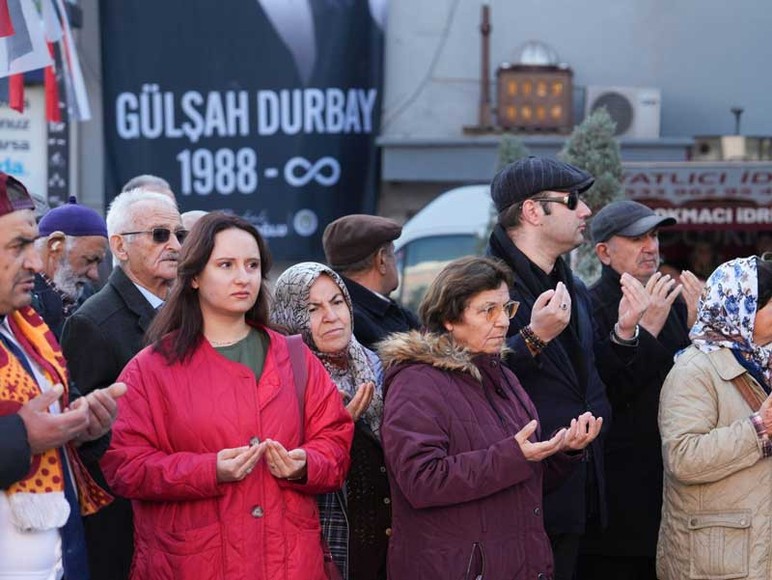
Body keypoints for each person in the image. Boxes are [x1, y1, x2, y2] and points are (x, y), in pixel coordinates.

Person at [100, 212, 354, 579]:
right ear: (195, 277)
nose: (243, 277)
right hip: (192, 564)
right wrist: (207, 470)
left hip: (289, 564)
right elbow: (124, 465)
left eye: (252, 265)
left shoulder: (295, 357)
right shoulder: (152, 369)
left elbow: (335, 442)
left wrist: (305, 464)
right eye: (226, 265)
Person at [378, 256, 602, 578]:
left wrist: (562, 451)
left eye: (506, 308)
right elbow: (421, 481)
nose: (503, 322)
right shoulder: (416, 381)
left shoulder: (502, 375)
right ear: (449, 318)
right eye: (488, 310)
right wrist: (512, 455)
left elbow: (524, 478)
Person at [485, 156, 649, 579]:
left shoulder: (571, 286)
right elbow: (466, 378)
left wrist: (624, 333)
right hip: (522, 497)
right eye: (572, 200)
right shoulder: (483, 287)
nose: (586, 210)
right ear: (532, 211)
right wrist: (532, 337)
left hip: (583, 491)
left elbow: (587, 378)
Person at [0, 171, 126, 579]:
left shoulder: (28, 327)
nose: (35, 263)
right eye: (18, 246)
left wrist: (81, 425)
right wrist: (23, 437)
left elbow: (55, 414)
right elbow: (27, 432)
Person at [59, 187, 184, 580]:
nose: (175, 245)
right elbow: (86, 443)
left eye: (179, 234)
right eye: (160, 235)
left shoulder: (186, 309)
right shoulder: (91, 323)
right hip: (125, 525)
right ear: (120, 246)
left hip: (183, 512)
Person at [578, 200, 701, 579]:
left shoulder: (671, 301)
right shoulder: (590, 307)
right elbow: (603, 397)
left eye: (654, 235)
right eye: (636, 238)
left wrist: (698, 330)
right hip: (621, 507)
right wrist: (642, 332)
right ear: (603, 252)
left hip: (675, 488)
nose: (651, 247)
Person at [657, 255, 772, 580]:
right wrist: (759, 429)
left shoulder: (764, 362)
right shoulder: (694, 370)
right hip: (717, 559)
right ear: (744, 308)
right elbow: (682, 458)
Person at [273, 262, 389, 580]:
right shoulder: (282, 381)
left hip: (389, 547)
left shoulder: (379, 366)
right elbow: (283, 468)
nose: (331, 316)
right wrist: (335, 429)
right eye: (313, 309)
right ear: (290, 316)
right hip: (331, 548)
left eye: (337, 302)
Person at [322, 214, 420, 350]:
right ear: (382, 260)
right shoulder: (358, 324)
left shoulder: (364, 309)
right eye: (393, 255)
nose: (395, 263)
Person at [31, 195, 108, 339]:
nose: (95, 275)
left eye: (98, 263)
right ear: (55, 245)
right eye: (89, 260)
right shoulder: (20, 295)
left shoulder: (87, 297)